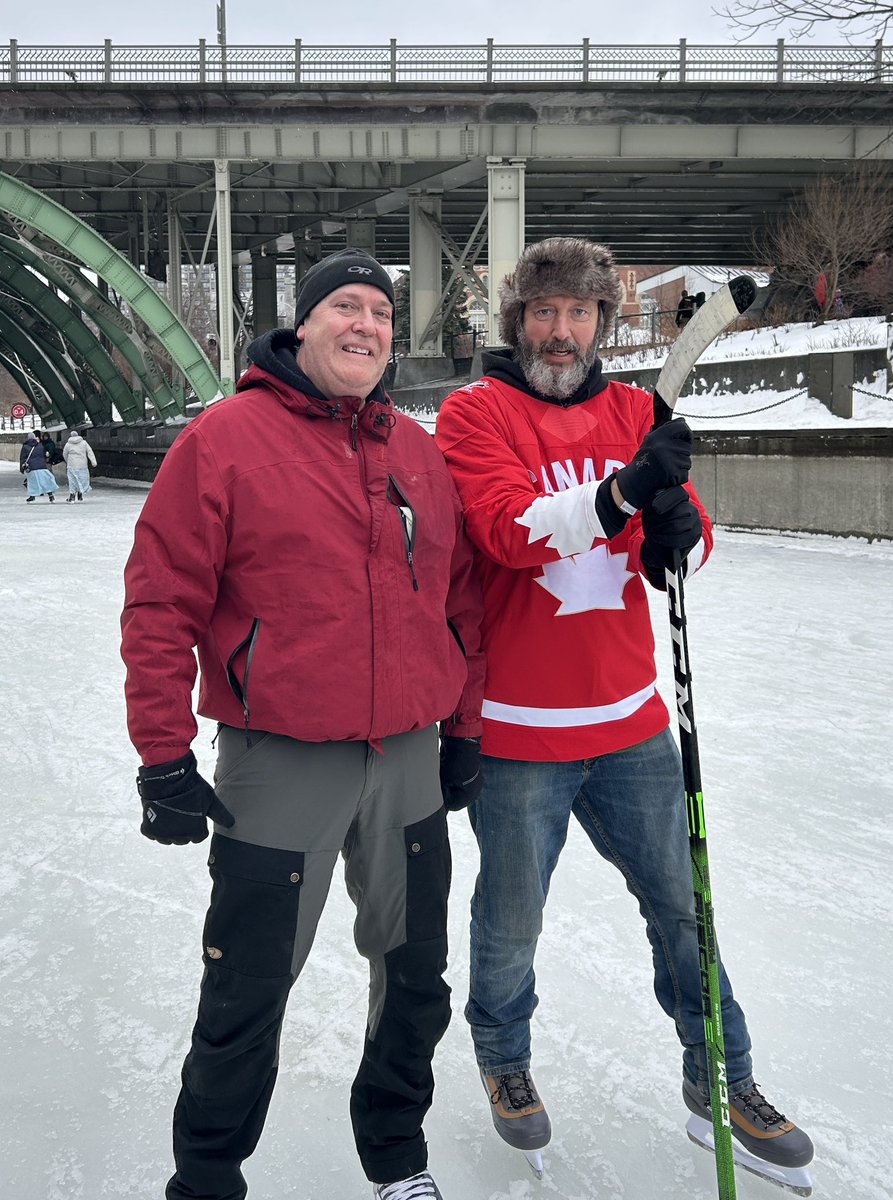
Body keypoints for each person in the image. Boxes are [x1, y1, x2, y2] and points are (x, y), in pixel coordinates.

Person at [434, 237, 814, 1188]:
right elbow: (508, 531)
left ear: (602, 322)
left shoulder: (639, 411)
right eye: (543, 313)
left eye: (579, 315)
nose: (560, 334)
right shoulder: (473, 414)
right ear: (517, 319)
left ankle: (720, 1081)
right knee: (511, 918)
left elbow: (674, 540)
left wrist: (679, 539)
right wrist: (621, 496)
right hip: (519, 733)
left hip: (633, 726)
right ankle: (504, 1059)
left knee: (687, 915)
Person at [120, 247, 485, 1200]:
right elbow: (161, 601)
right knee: (246, 987)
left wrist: (465, 727)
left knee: (415, 975)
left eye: (381, 312)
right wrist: (162, 754)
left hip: (405, 754)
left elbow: (460, 601)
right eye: (346, 308)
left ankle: (396, 1155)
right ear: (304, 324)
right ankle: (205, 1180)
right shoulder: (226, 438)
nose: (366, 325)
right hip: (281, 759)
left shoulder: (415, 447)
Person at [19, 431, 58, 503]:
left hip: (31, 467)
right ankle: (51, 496)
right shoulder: (40, 446)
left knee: (32, 482)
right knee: (45, 481)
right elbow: (45, 455)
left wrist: (22, 469)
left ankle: (32, 497)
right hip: (41, 466)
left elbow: (22, 458)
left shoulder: (25, 446)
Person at [62, 428, 97, 501]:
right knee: (82, 479)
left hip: (72, 465)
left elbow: (65, 454)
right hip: (82, 465)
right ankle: (80, 493)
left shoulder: (68, 444)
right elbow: (90, 451)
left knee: (72, 480)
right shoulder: (84, 443)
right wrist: (93, 462)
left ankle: (72, 495)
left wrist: (67, 461)